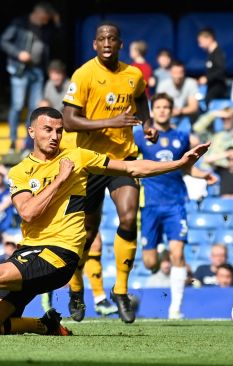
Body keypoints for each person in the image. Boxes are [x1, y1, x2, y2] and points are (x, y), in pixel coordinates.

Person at [0, 107, 209, 335]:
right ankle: (44, 324)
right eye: (48, 130)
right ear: (32, 132)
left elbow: (132, 169)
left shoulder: (78, 156)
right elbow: (28, 213)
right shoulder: (19, 172)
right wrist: (59, 181)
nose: (55, 136)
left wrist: (180, 163)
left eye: (59, 130)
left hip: (60, 256)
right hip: (27, 253)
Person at [61, 22, 159, 323]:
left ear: (120, 43)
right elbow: (68, 120)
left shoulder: (133, 75)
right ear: (94, 45)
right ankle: (76, 289)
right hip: (90, 162)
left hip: (124, 160)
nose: (106, 42)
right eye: (101, 38)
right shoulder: (84, 74)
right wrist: (111, 122)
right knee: (87, 233)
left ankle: (121, 290)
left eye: (112, 38)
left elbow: (141, 98)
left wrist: (148, 122)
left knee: (129, 216)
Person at [135, 93, 217, 319]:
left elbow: (186, 167)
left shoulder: (181, 136)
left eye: (166, 107)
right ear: (153, 111)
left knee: (178, 252)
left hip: (175, 203)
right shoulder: (141, 137)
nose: (162, 110)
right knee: (150, 263)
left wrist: (203, 175)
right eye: (158, 107)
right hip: (149, 204)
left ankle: (175, 308)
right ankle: (160, 253)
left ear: (172, 111)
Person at [0, 2, 59, 151]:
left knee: (35, 109)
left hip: (37, 70)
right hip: (20, 69)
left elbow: (57, 40)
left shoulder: (46, 28)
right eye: (45, 18)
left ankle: (28, 141)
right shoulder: (19, 23)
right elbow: (4, 41)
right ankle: (12, 141)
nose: (46, 22)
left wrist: (57, 23)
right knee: (18, 105)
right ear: (38, 14)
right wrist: (18, 53)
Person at [196, 28, 227, 105]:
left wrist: (207, 78)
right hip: (210, 86)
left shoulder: (218, 53)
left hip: (218, 87)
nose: (200, 45)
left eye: (201, 42)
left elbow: (221, 70)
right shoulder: (210, 54)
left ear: (209, 39)